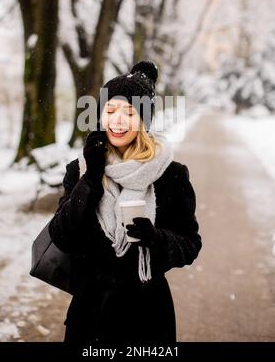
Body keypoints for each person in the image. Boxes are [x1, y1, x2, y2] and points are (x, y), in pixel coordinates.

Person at [49, 60, 202, 345]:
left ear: (144, 119)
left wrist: (157, 239)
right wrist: (91, 179)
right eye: (110, 111)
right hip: (90, 315)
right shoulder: (81, 169)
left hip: (147, 317)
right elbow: (62, 236)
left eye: (129, 112)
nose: (117, 121)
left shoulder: (171, 175)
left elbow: (190, 244)